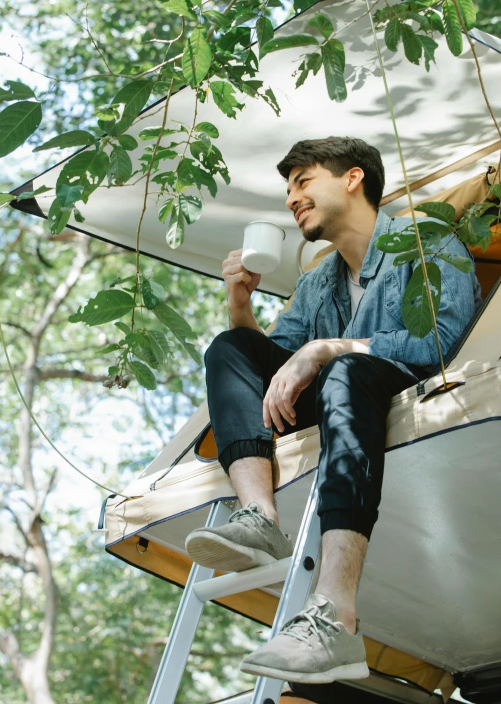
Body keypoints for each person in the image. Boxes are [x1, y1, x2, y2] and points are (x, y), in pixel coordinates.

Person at [185, 137, 482, 685]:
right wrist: (241, 306)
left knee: (344, 370)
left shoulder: (427, 241)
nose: (292, 199)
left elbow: (442, 340)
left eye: (303, 182)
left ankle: (335, 618)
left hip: (400, 385)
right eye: (289, 189)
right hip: (336, 400)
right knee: (230, 348)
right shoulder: (318, 279)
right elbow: (272, 366)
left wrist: (326, 349)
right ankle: (259, 517)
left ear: (352, 179)